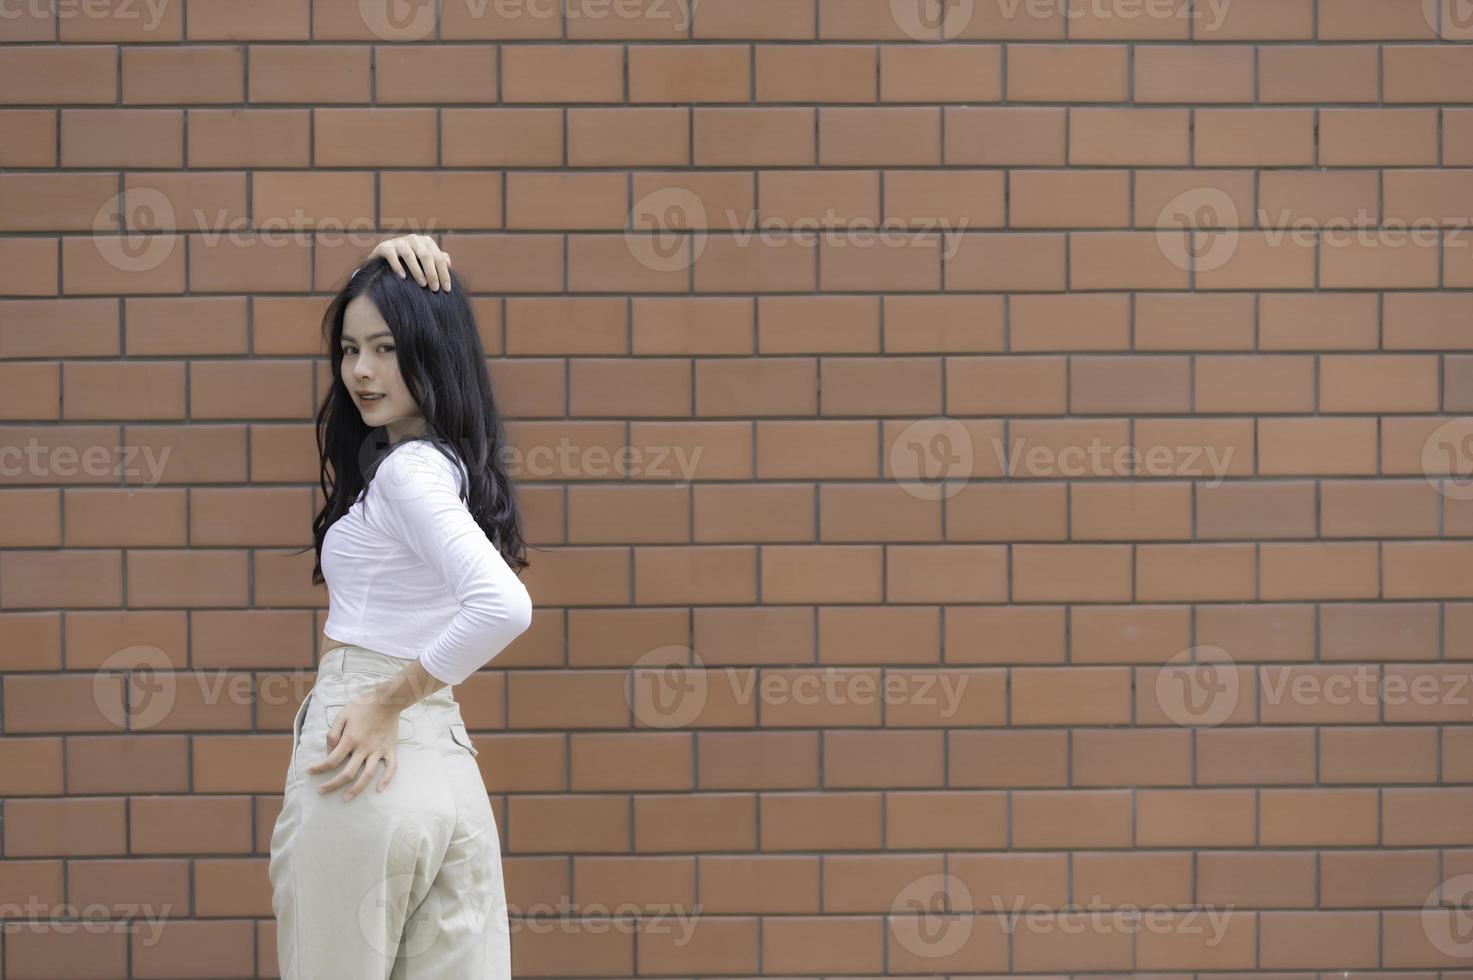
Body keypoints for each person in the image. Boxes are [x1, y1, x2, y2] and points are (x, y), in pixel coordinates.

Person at [269, 234, 534, 979]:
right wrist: (386, 258)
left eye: (385, 348)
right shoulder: (446, 463)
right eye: (350, 349)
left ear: (429, 350)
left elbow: (503, 606)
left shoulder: (407, 474)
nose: (359, 370)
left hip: (361, 752)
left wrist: (388, 698)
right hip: (445, 771)